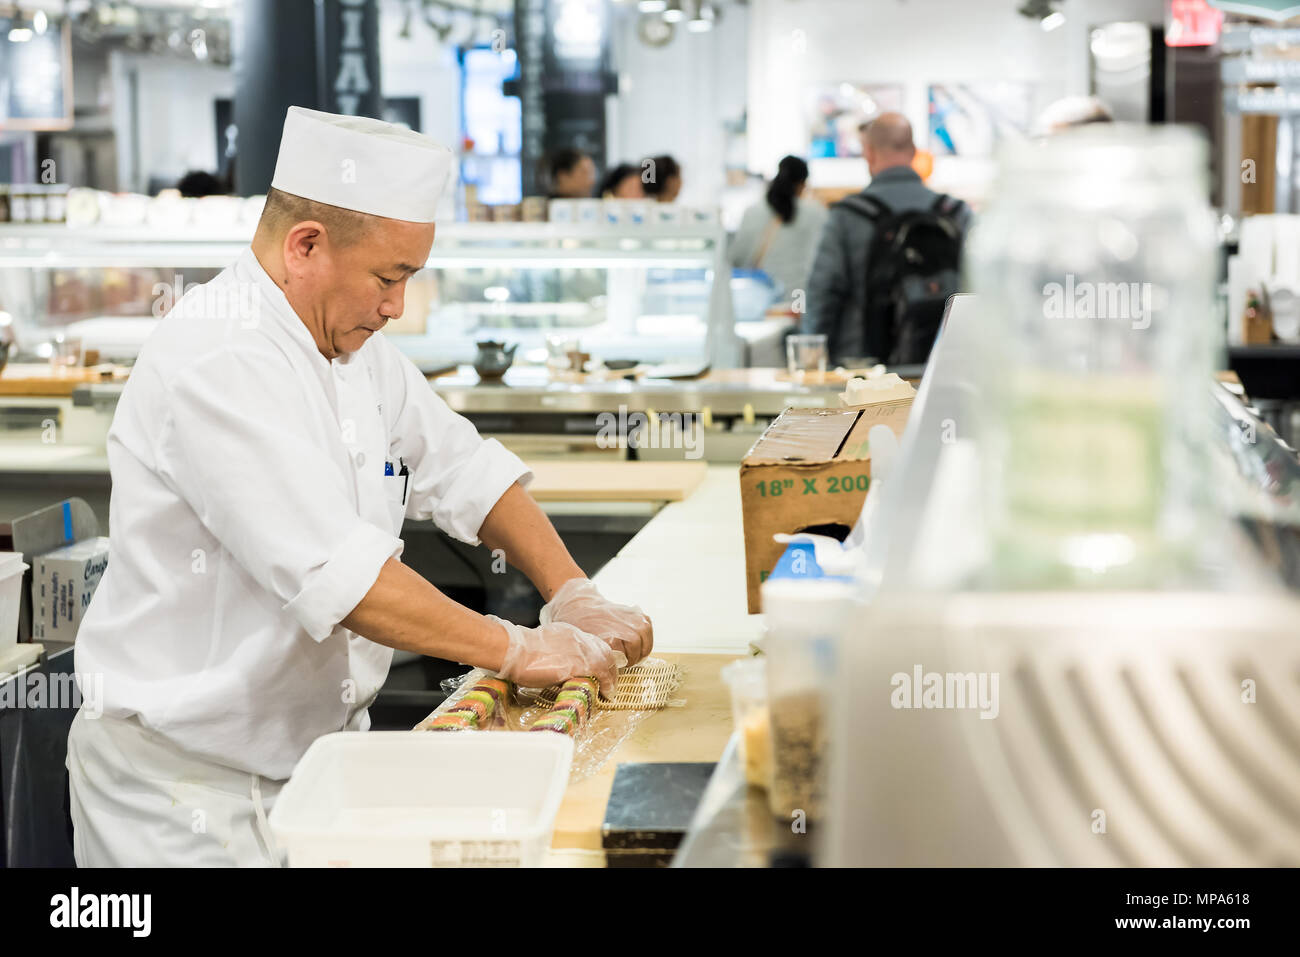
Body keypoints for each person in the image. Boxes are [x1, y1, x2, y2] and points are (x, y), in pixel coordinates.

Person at [66, 107, 652, 867]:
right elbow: (344, 580)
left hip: (326, 771)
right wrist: (518, 646)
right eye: (389, 277)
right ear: (305, 244)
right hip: (184, 800)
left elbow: (462, 467)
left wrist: (573, 589)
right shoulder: (219, 356)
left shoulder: (353, 350)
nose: (396, 306)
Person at [805, 112, 971, 366]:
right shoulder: (956, 213)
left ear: (868, 153)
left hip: (866, 372)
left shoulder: (847, 217)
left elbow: (823, 294)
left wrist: (812, 362)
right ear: (914, 151)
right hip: (943, 367)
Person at [728, 156, 827, 301]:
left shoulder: (753, 211)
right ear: (803, 183)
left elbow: (738, 258)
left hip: (761, 296)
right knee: (795, 321)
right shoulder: (816, 213)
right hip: (799, 296)